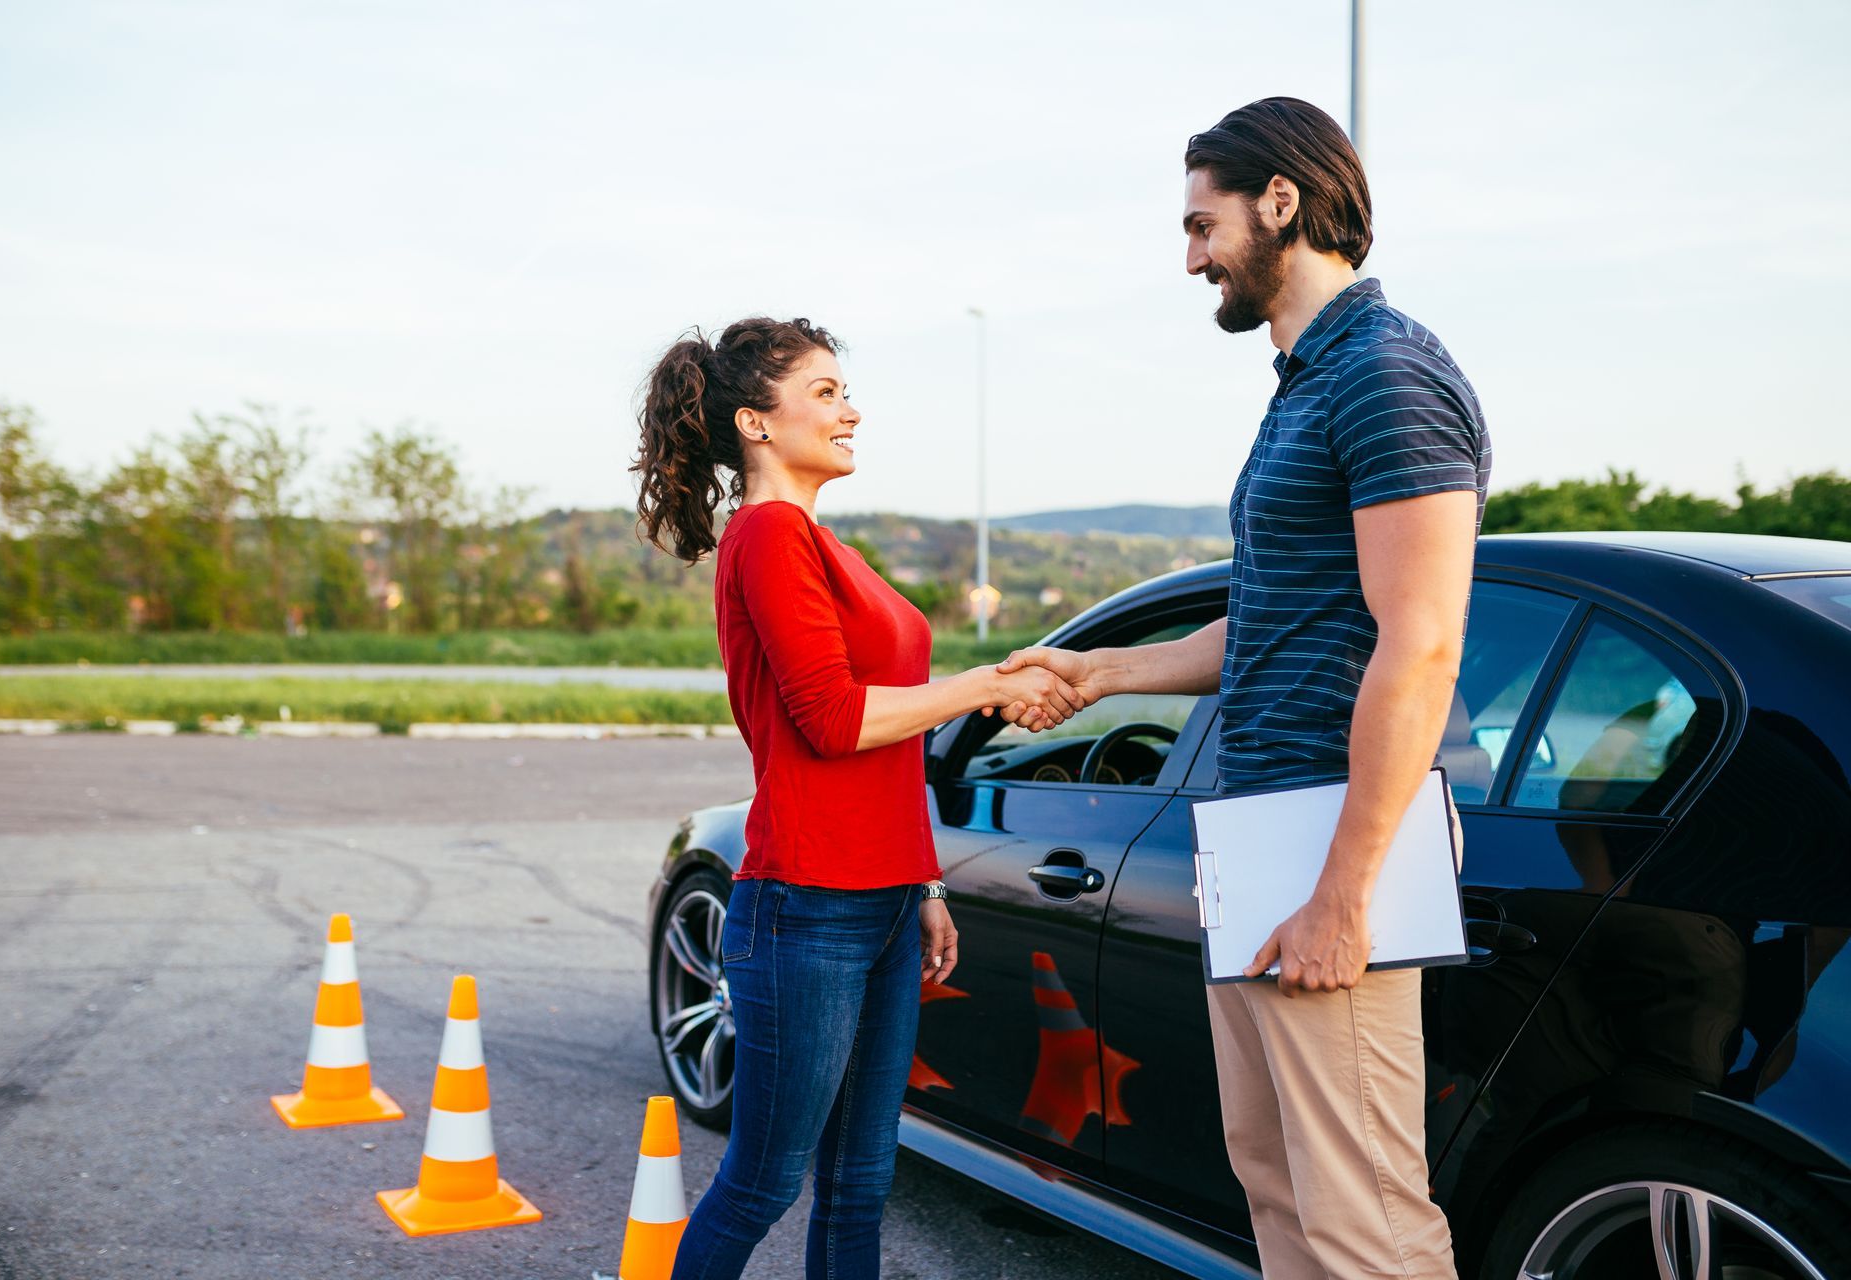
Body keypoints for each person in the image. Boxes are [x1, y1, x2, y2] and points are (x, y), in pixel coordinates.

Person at [998, 99, 1491, 1278]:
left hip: (1332, 828)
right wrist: (1105, 669)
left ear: (1282, 200)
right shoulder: (1304, 384)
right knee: (1275, 1179)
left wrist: (1344, 890)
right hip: (1262, 822)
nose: (1189, 258)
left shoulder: (1385, 371)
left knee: (1367, 1212)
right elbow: (1276, 616)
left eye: (1199, 223)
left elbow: (1420, 642)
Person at [631, 316, 1082, 1279]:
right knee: (763, 1182)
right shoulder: (768, 536)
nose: (852, 410)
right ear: (757, 421)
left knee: (860, 1184)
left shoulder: (819, 543)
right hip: (806, 904)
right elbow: (835, 719)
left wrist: (923, 882)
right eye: (827, 393)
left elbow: (892, 742)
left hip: (876, 899)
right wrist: (994, 684)